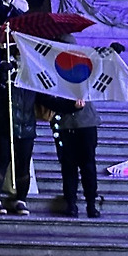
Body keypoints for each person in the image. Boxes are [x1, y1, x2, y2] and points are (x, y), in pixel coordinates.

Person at [0, 46, 37, 216]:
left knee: (23, 165)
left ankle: (21, 200)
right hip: (3, 126)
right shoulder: (5, 74)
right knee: (2, 159)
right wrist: (2, 75)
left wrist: (71, 105)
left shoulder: (33, 77)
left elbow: (46, 98)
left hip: (26, 127)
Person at [39, 90, 103, 218]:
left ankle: (88, 203)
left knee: (85, 166)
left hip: (82, 123)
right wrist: (70, 105)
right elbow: (45, 98)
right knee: (71, 166)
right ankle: (74, 203)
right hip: (68, 123)